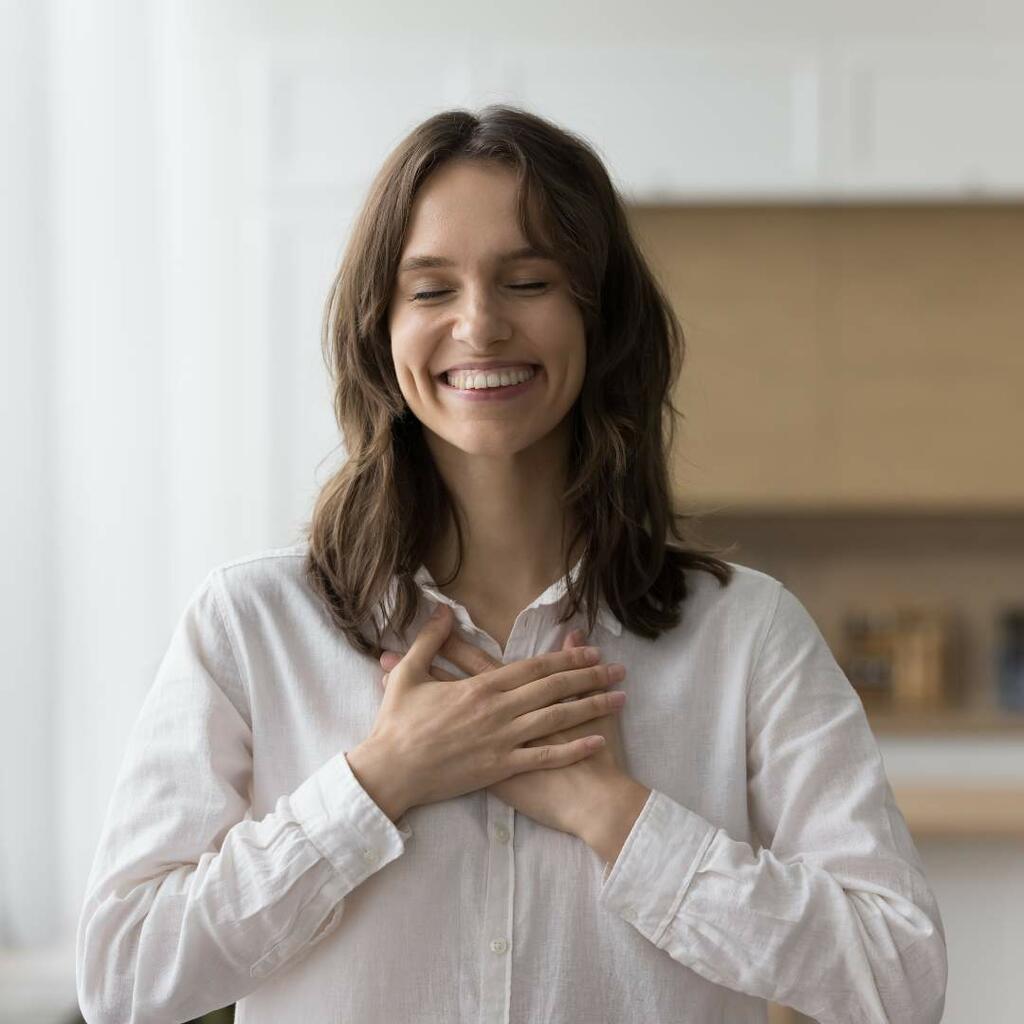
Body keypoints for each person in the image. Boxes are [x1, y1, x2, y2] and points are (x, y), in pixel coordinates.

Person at [76, 105, 947, 1023]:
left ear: (600, 319)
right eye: (430, 290)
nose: (481, 325)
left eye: (529, 280)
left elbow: (900, 978)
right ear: (379, 329)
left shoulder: (748, 633)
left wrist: (617, 817)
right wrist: (380, 782)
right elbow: (125, 978)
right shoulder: (248, 625)